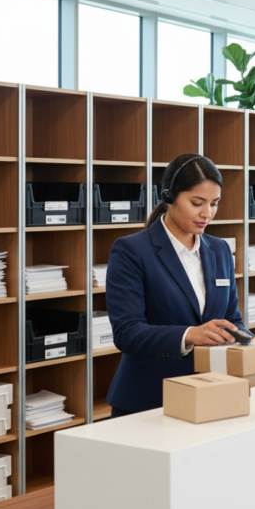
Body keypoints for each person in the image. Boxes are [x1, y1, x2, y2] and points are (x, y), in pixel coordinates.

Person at [105, 154, 247, 417]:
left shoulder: (220, 250)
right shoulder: (131, 250)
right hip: (149, 400)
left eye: (214, 204)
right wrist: (189, 335)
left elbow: (232, 320)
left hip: (210, 395)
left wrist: (241, 338)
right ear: (169, 197)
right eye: (197, 203)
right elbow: (127, 333)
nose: (207, 213)